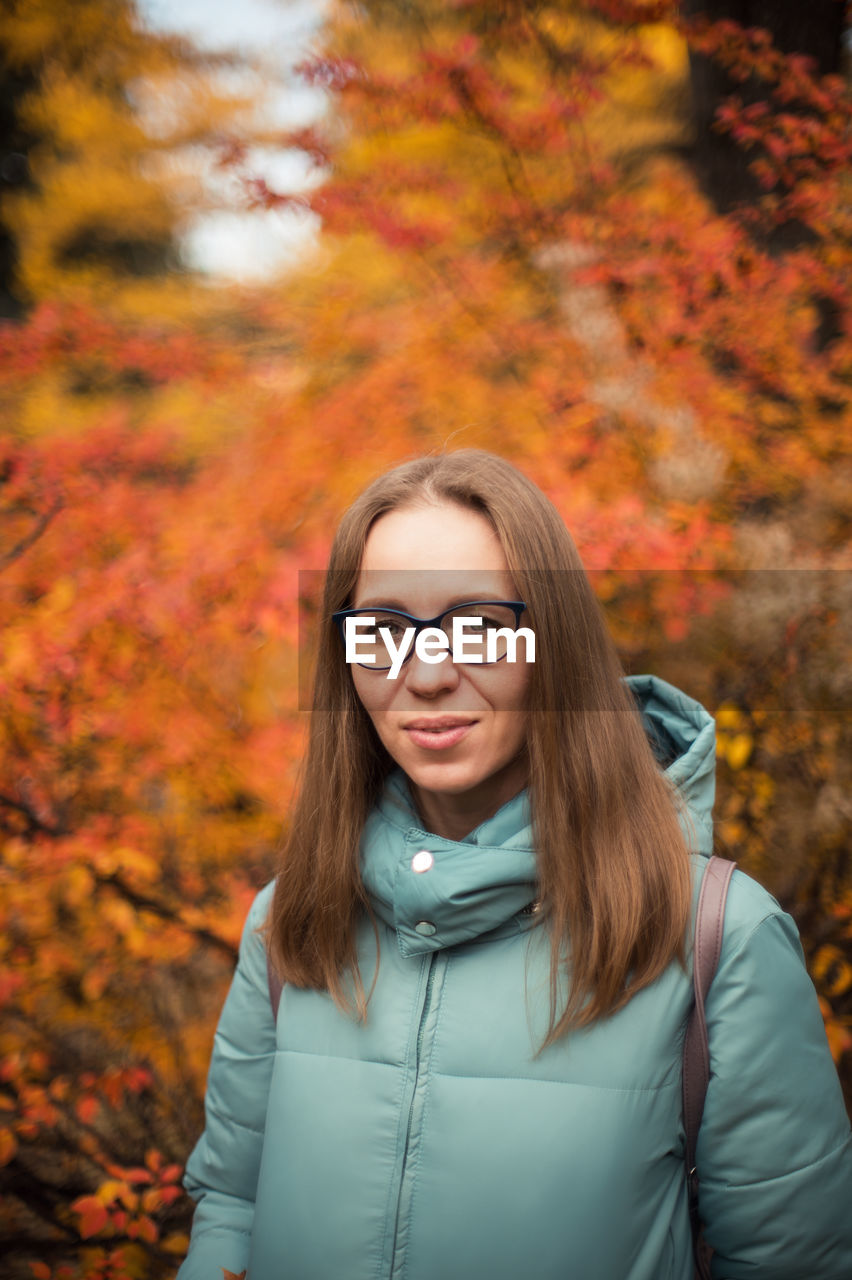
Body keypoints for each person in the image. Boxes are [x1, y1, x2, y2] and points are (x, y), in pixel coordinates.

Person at [177, 449, 852, 1280]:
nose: (425, 675)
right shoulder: (291, 925)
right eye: (383, 632)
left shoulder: (719, 940)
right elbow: (234, 1209)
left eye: (480, 626)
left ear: (551, 643)